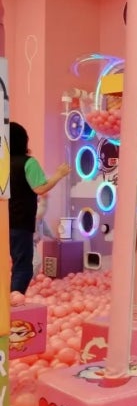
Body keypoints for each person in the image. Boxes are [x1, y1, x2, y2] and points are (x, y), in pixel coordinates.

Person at [9, 122, 70, 294]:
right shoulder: (28, 163)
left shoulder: (3, 163)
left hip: (5, 221)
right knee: (23, 266)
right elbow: (40, 188)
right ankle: (14, 301)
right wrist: (59, 174)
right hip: (20, 221)